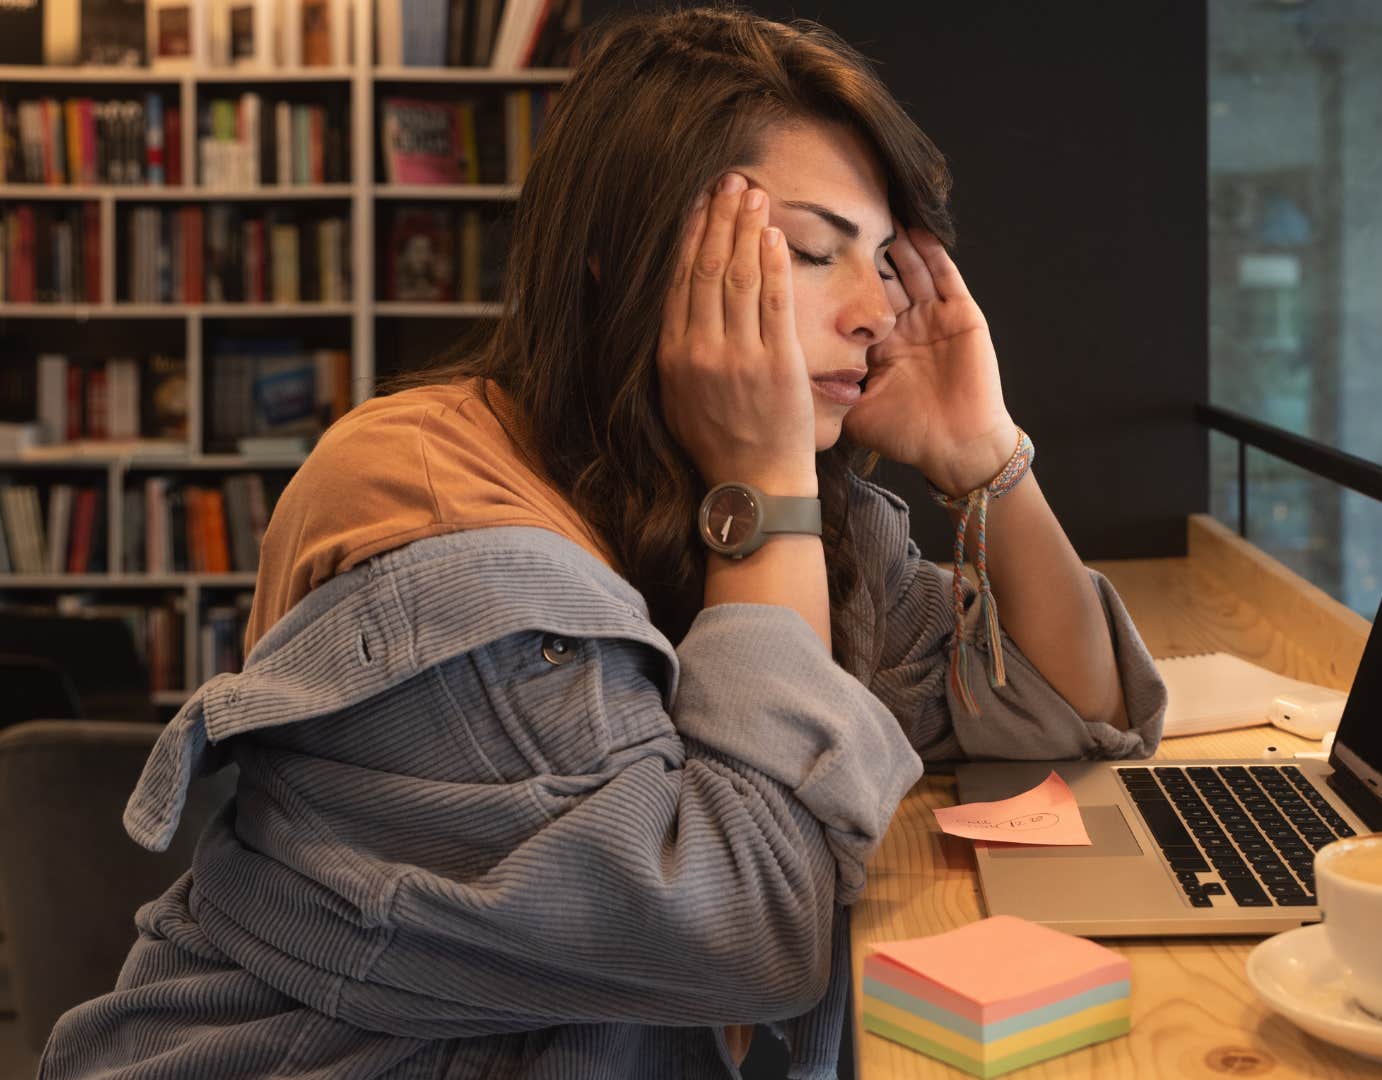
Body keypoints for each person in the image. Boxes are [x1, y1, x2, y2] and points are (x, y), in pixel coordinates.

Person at [39, 7, 1166, 1078]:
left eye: (881, 260)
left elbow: (1068, 709)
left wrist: (987, 458)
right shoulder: (438, 517)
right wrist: (763, 485)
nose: (875, 312)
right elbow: (747, 930)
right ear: (623, 256)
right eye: (811, 253)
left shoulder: (691, 486)